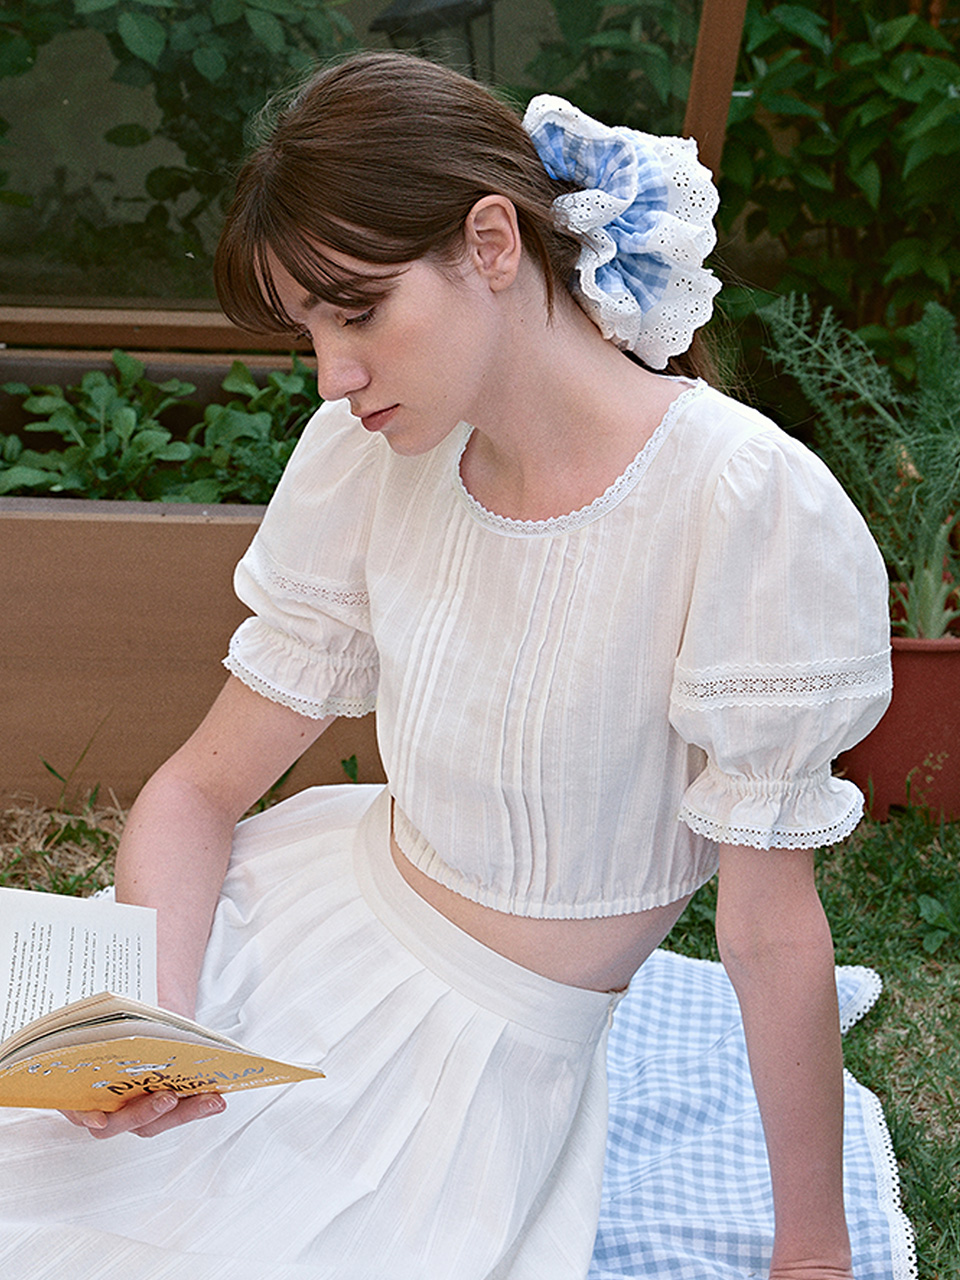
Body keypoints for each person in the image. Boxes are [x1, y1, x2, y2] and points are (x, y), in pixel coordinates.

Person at [0, 51, 895, 1280]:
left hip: (480, 1059)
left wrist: (813, 1257)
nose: (333, 373)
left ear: (490, 244)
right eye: (308, 329)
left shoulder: (742, 504)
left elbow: (772, 932)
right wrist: (155, 1016)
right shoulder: (372, 456)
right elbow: (199, 789)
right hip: (290, 929)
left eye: (357, 310)